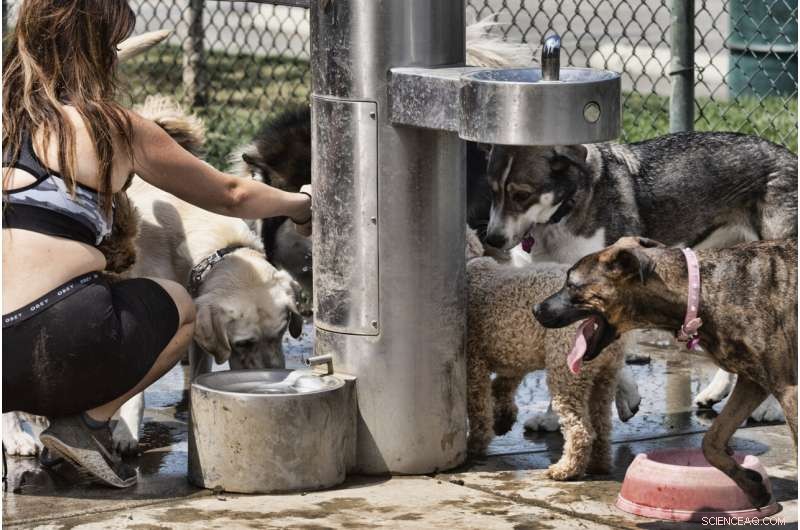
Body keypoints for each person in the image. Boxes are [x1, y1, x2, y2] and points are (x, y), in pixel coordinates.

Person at [2, 0, 312, 488]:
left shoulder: (6, 113)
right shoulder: (113, 128)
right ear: (98, 53)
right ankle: (87, 423)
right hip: (57, 341)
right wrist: (299, 204)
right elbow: (231, 194)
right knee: (180, 307)